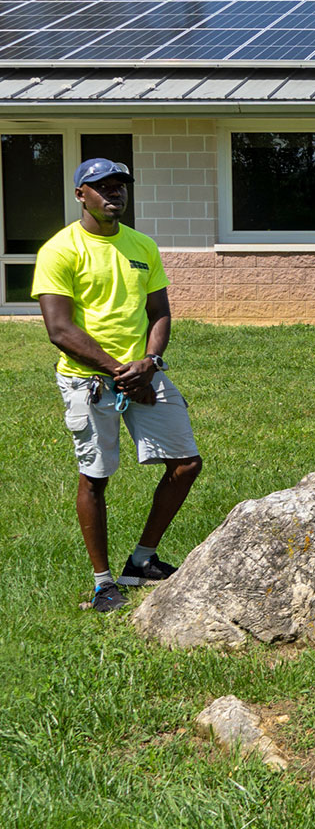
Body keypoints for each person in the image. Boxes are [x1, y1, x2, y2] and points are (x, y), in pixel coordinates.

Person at [33, 158, 204, 614]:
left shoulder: (142, 246)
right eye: (102, 186)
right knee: (96, 478)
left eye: (121, 185)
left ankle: (141, 561)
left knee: (186, 464)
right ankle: (103, 583)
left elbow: (160, 312)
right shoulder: (59, 250)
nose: (115, 193)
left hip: (142, 372)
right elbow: (60, 329)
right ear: (80, 195)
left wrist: (149, 362)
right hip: (88, 380)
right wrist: (120, 373)